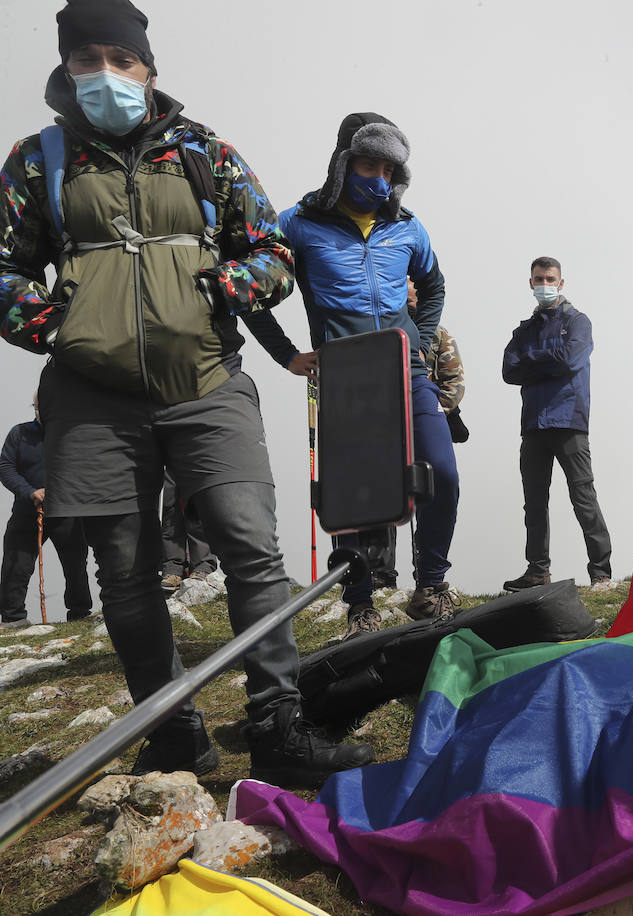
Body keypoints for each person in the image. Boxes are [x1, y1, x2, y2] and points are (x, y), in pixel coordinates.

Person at [0, 0, 373, 786]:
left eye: (120, 57)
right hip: (90, 399)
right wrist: (53, 327)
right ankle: (174, 734)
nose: (104, 72)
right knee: (127, 573)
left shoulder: (208, 153)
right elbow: (2, 267)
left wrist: (224, 285)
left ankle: (278, 723)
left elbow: (271, 248)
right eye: (85, 58)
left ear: (149, 67)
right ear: (65, 68)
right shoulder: (37, 162)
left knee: (248, 541)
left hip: (208, 382)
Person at [241, 112, 459, 641]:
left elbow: (433, 286)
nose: (378, 179)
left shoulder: (408, 226)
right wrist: (286, 354)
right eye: (368, 164)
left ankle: (430, 586)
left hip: (406, 367)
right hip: (347, 374)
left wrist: (423, 341)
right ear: (343, 164)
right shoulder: (297, 223)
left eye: (389, 168)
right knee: (360, 492)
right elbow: (247, 290)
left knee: (443, 474)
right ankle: (360, 603)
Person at [501, 257, 613, 592]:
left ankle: (601, 573)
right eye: (539, 279)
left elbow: (570, 359)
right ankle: (537, 571)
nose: (545, 284)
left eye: (550, 278)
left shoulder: (578, 322)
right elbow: (509, 371)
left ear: (561, 283)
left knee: (583, 497)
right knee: (533, 503)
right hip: (534, 423)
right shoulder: (524, 330)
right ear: (530, 282)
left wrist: (532, 361)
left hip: (569, 421)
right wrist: (549, 362)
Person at [368, 278, 467, 592]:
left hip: (425, 427)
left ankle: (425, 575)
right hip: (386, 427)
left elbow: (454, 383)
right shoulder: (380, 330)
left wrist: (429, 416)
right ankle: (381, 574)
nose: (406, 287)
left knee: (429, 495)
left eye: (411, 281)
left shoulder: (439, 335)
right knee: (386, 496)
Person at [0, 397, 92, 626]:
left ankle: (79, 614)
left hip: (67, 511)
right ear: (36, 408)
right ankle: (13, 618)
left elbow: (85, 469)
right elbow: (6, 467)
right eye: (39, 406)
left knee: (75, 566)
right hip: (26, 512)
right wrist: (30, 492)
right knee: (16, 565)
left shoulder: (73, 434)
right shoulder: (19, 434)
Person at [160, 469, 217, 594]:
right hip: (171, 454)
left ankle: (203, 565)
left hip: (200, 456)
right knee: (171, 507)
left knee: (199, 502)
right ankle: (173, 568)